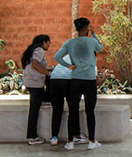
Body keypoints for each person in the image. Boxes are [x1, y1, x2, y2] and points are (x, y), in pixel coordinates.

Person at [55, 17, 104, 151]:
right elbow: (100, 47)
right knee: (90, 111)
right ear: (87, 28)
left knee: (73, 111)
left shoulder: (70, 43)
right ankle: (92, 141)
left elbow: (57, 57)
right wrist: (94, 33)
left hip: (75, 79)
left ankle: (70, 142)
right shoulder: (92, 41)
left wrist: (69, 66)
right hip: (90, 80)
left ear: (76, 29)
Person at [47, 50, 87, 147]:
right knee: (73, 109)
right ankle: (76, 135)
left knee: (57, 110)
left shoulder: (66, 57)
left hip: (54, 79)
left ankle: (54, 137)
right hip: (69, 80)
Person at [22, 35, 54, 145]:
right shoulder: (39, 50)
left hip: (30, 81)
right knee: (34, 111)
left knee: (34, 108)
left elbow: (35, 66)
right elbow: (35, 64)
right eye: (48, 43)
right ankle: (32, 137)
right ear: (44, 42)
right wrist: (47, 73)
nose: (49, 45)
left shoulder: (32, 50)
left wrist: (48, 70)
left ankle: (43, 101)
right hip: (35, 83)